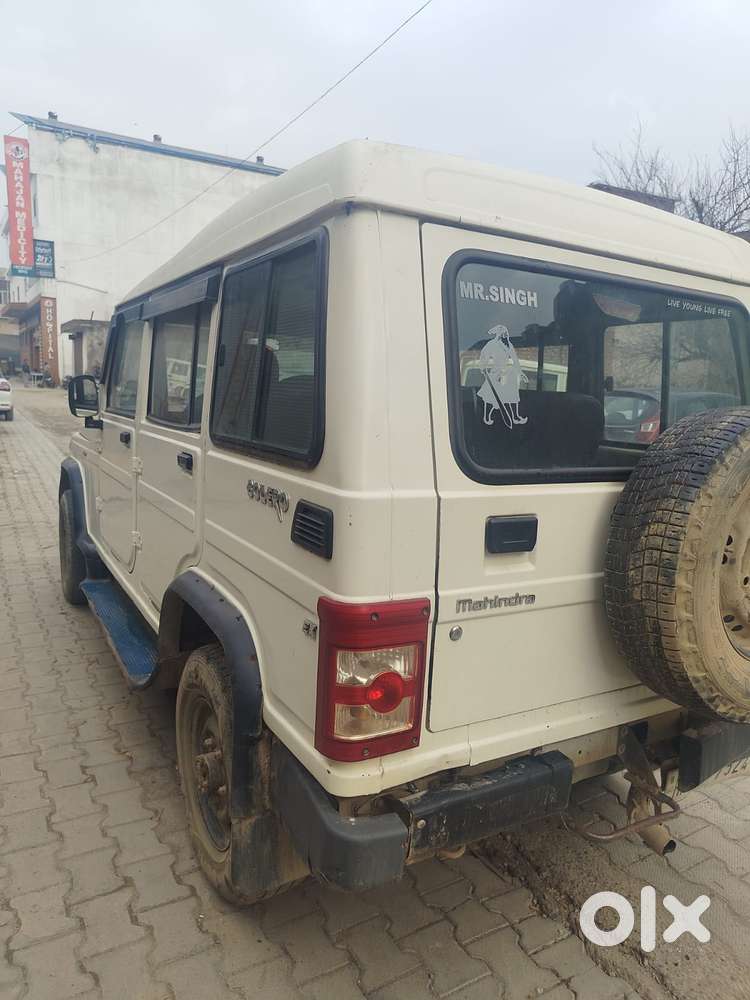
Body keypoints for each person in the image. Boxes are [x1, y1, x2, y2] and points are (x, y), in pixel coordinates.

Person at [477, 324, 528, 428]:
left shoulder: (508, 345)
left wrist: (521, 373)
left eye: (506, 333)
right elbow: (483, 356)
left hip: (508, 373)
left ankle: (515, 416)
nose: (505, 335)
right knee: (490, 396)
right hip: (496, 373)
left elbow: (515, 360)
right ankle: (487, 417)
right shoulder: (491, 344)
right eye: (503, 333)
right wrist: (483, 367)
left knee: (512, 395)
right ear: (498, 333)